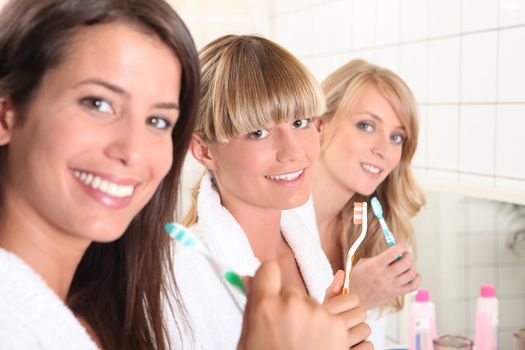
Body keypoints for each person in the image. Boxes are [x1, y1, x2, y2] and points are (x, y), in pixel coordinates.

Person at [0, 1, 358, 349]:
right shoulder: (165, 286)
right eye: (97, 103)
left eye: (158, 121)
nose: (133, 151)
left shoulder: (93, 309)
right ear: (6, 114)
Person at [172, 35, 372, 350]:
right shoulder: (177, 277)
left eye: (300, 122)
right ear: (203, 150)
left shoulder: (304, 251)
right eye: (258, 132)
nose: (293, 152)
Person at [292, 59, 425, 349]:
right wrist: (355, 298)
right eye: (366, 126)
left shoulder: (370, 233)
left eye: (397, 137)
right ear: (320, 125)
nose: (383, 150)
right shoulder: (271, 226)